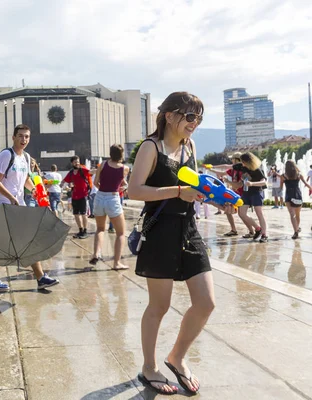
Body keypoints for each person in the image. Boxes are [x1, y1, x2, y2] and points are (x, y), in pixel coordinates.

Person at [128, 92, 232, 395]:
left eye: (199, 117)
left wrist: (215, 198)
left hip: (188, 229)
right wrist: (176, 191)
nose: (195, 123)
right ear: (169, 115)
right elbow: (134, 191)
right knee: (159, 306)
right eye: (190, 116)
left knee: (206, 302)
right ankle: (149, 367)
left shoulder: (190, 146)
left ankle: (177, 357)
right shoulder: (151, 147)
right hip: (160, 232)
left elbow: (193, 186)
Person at [0, 124, 59, 291]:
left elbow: (25, 178)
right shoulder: (6, 155)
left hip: (19, 204)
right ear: (13, 137)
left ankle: (39, 277)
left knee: (27, 240)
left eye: (26, 136)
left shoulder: (26, 157)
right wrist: (11, 198)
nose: (23, 139)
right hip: (3, 205)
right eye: (20, 136)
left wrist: (34, 190)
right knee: (6, 244)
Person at [90, 144, 129, 270]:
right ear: (121, 154)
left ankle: (96, 253)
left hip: (100, 197)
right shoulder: (125, 168)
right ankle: (117, 263)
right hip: (113, 198)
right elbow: (121, 182)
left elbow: (95, 183)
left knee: (100, 229)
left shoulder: (103, 164)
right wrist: (123, 186)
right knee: (121, 233)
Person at [206, 154, 245, 237]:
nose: (231, 161)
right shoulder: (233, 170)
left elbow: (225, 166)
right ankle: (234, 230)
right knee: (228, 210)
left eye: (233, 159)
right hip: (234, 194)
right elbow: (222, 172)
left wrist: (212, 167)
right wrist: (211, 169)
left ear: (236, 159)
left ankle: (254, 230)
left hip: (241, 194)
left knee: (242, 214)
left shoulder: (241, 169)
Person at [239, 152, 268, 243]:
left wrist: (252, 184)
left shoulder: (257, 169)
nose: (242, 164)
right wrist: (212, 168)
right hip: (246, 192)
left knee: (259, 213)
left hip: (256, 192)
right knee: (242, 213)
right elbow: (228, 166)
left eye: (243, 162)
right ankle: (257, 228)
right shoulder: (243, 167)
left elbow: (264, 182)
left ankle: (264, 235)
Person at [281, 160, 312, 239]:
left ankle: (296, 231)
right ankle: (297, 229)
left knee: (292, 214)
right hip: (297, 195)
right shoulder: (299, 175)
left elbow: (281, 187)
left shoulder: (283, 176)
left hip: (289, 196)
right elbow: (306, 183)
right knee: (297, 214)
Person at [63, 156, 91, 239]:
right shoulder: (71, 172)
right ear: (72, 163)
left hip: (83, 195)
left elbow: (92, 171)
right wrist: (65, 185)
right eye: (75, 162)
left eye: (78, 162)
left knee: (83, 214)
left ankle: (85, 231)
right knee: (76, 214)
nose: (77, 163)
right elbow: (65, 181)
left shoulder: (83, 170)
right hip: (74, 196)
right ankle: (80, 230)